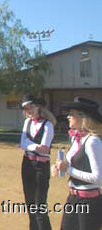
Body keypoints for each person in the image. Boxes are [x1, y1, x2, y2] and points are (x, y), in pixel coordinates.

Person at [52, 97, 102, 230]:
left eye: (71, 114)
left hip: (89, 201)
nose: (68, 117)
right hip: (73, 198)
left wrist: (68, 169)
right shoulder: (77, 138)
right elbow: (68, 164)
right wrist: (57, 166)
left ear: (83, 117)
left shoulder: (93, 141)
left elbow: (97, 178)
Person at [20, 94, 56, 230]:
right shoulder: (27, 123)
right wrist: (35, 146)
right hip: (27, 164)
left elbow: (45, 148)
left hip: (41, 167)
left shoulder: (48, 125)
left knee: (40, 206)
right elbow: (22, 143)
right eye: (25, 108)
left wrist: (29, 145)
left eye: (31, 106)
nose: (28, 110)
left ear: (38, 107)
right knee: (30, 205)